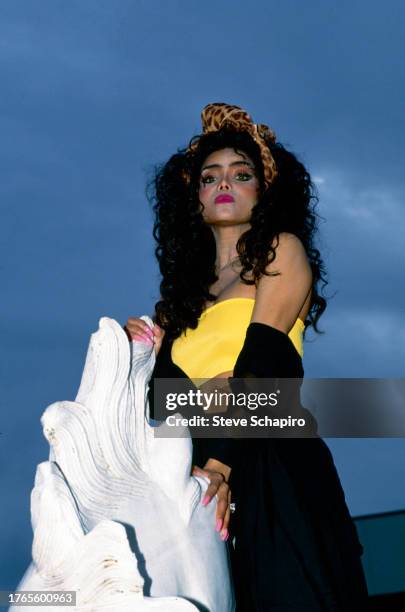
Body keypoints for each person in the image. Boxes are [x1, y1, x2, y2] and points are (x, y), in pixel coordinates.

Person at [126, 103, 369, 611]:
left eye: (241, 174)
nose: (223, 184)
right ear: (193, 198)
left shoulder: (281, 251)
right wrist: (136, 356)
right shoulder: (177, 303)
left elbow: (266, 365)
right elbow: (161, 409)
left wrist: (220, 463)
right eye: (210, 177)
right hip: (190, 473)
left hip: (267, 456)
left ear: (264, 190)